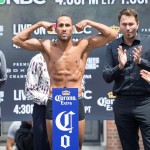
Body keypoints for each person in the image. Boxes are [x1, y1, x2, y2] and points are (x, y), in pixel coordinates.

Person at [12, 15, 118, 149]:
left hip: (75, 100)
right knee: (55, 146)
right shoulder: (46, 46)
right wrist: (39, 24)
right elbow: (17, 40)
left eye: (67, 25)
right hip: (54, 100)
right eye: (60, 25)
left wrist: (88, 22)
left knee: (76, 146)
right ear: (55, 29)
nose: (64, 28)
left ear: (72, 28)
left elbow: (113, 34)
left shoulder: (83, 45)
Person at [103, 8, 150, 150]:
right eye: (124, 24)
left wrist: (141, 62)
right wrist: (120, 66)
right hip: (122, 103)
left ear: (138, 24)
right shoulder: (112, 46)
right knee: (128, 147)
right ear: (119, 25)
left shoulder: (148, 42)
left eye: (131, 24)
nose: (128, 28)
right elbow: (106, 76)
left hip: (146, 102)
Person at [25, 53, 50, 150]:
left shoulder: (72, 56)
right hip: (43, 108)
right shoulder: (38, 59)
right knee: (42, 146)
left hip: (69, 107)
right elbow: (29, 90)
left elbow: (81, 85)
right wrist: (51, 101)